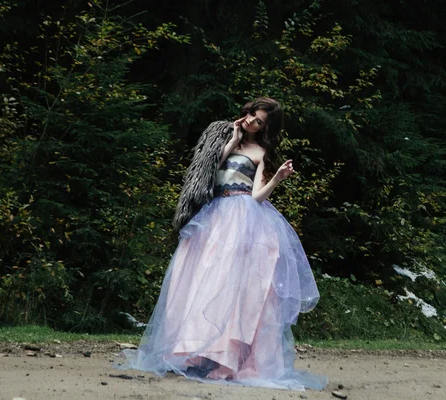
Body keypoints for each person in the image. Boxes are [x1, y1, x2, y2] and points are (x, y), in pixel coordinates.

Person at [115, 97, 328, 391]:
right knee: (197, 280)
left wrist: (277, 178)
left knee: (229, 286)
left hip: (242, 217)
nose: (252, 120)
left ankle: (221, 357)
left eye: (260, 120)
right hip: (211, 215)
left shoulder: (261, 151)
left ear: (266, 128)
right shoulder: (223, 136)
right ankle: (193, 352)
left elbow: (255, 197)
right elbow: (204, 172)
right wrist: (233, 140)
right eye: (252, 114)